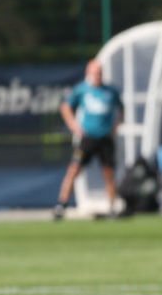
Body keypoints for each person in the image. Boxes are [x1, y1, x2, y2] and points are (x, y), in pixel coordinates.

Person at [53, 59, 123, 220]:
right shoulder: (82, 90)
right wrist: (74, 125)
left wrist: (115, 127)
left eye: (100, 72)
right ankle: (61, 205)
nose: (98, 75)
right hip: (87, 139)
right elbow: (65, 107)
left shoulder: (111, 91)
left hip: (105, 139)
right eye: (95, 72)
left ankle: (112, 207)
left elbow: (121, 109)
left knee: (109, 173)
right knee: (74, 169)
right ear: (89, 73)